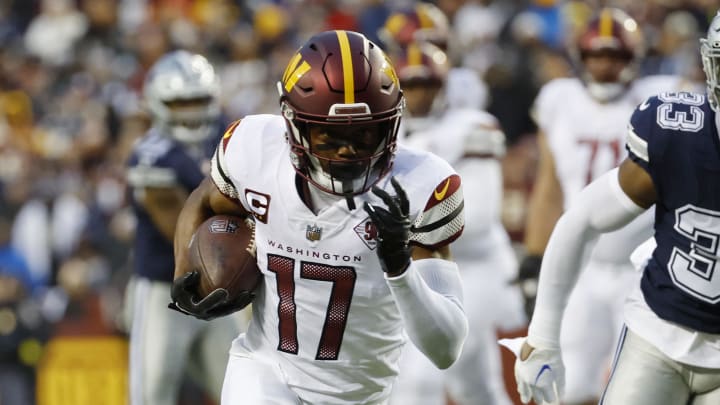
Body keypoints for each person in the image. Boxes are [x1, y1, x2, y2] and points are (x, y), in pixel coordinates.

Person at [168, 30, 469, 404]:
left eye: (364, 133)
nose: (347, 150)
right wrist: (185, 270)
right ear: (294, 125)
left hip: (361, 395)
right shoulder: (254, 150)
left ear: (390, 124)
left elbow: (446, 349)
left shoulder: (421, 185)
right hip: (265, 371)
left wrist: (400, 269)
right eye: (328, 135)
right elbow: (204, 199)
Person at [503, 10, 720, 405]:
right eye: (596, 56)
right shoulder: (670, 127)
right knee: (573, 388)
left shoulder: (663, 95)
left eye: (616, 56)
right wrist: (537, 272)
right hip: (641, 306)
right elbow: (568, 204)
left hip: (642, 270)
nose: (605, 66)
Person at [389, 41, 524, 405]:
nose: (418, 96)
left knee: (436, 381)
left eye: (427, 85)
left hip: (472, 270)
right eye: (410, 86)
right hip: (417, 269)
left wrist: (397, 229)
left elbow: (476, 217)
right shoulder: (385, 132)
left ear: (444, 86)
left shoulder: (470, 126)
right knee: (460, 385)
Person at [124, 50, 242, 405]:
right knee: (152, 392)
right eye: (180, 102)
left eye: (198, 100)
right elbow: (183, 231)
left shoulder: (226, 137)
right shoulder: (151, 154)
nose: (191, 111)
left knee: (236, 389)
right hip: (164, 290)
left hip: (218, 291)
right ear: (159, 104)